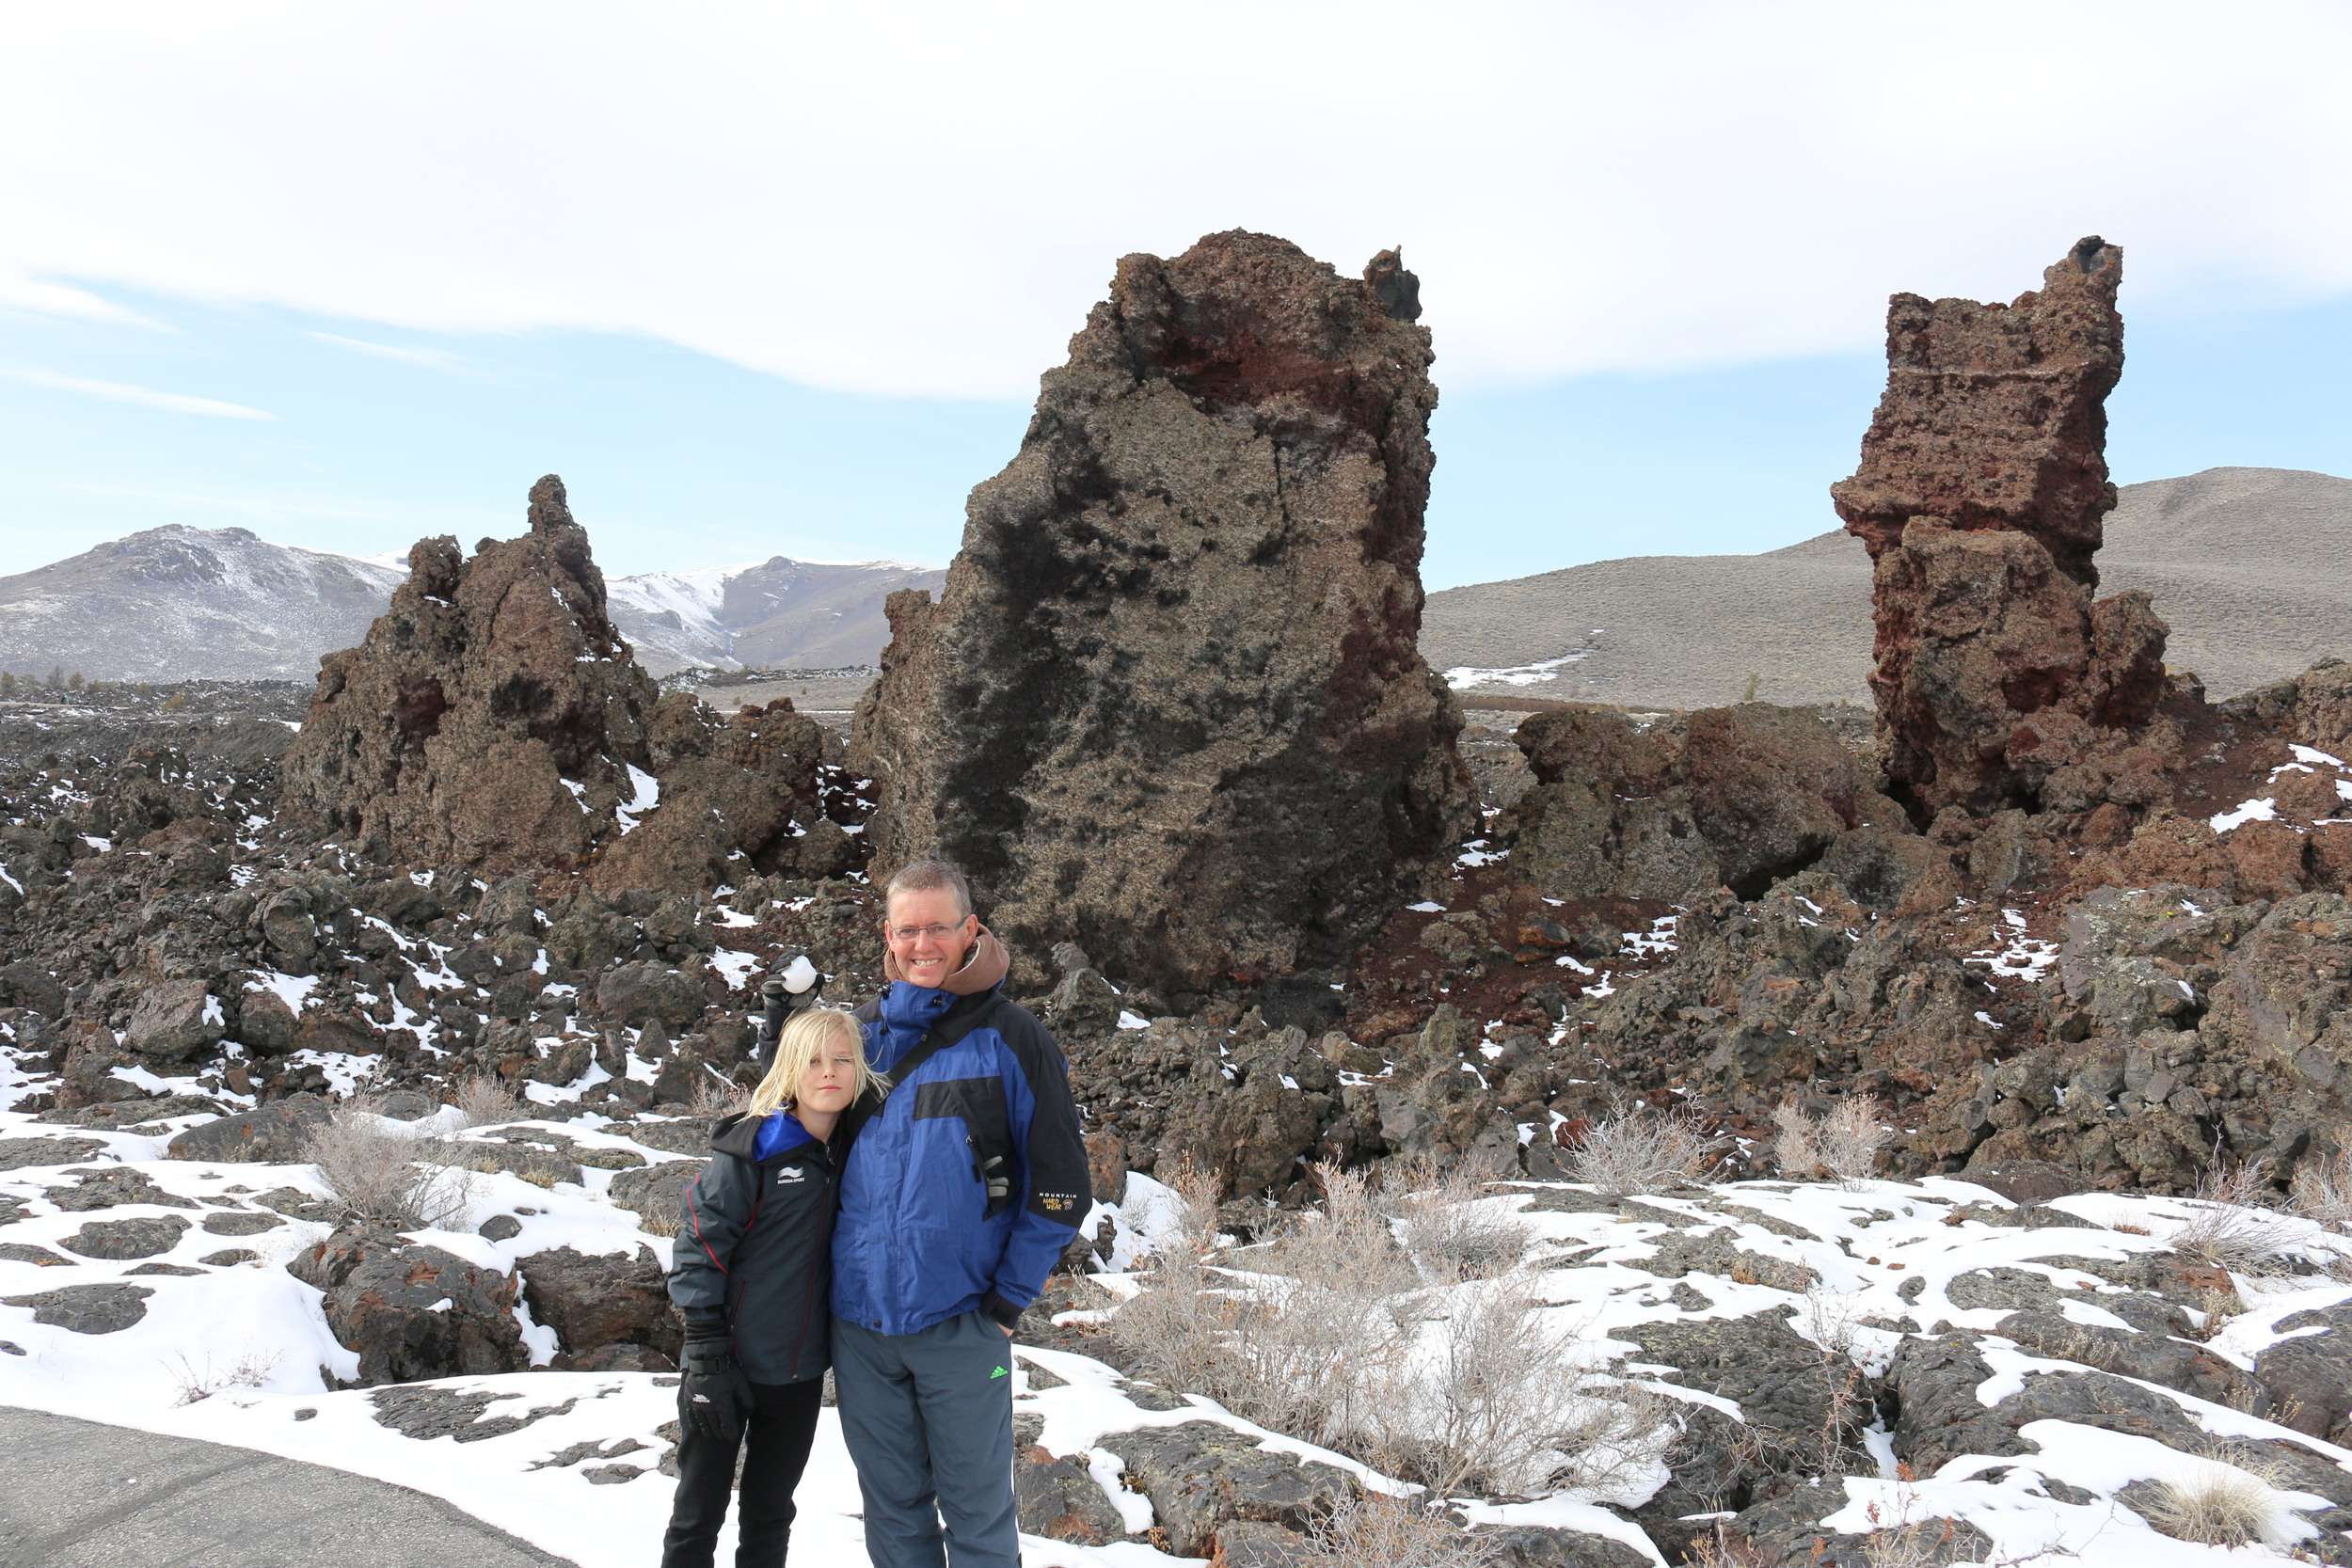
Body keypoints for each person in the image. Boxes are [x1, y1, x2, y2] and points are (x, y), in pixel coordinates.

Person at [832, 859, 1091, 1568]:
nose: (924, 944)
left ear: (969, 928)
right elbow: (790, 1142)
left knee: (978, 1517)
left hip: (962, 1321)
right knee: (892, 1512)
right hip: (858, 1326)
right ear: (888, 933)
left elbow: (1063, 1186)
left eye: (939, 928)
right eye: (909, 929)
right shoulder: (856, 1037)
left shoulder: (1014, 1037)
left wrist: (1006, 1301)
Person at [662, 1006, 877, 1568]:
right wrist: (707, 1351)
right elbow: (698, 1245)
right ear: (789, 1069)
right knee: (698, 1511)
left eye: (842, 1060)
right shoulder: (753, 1150)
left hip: (800, 1373)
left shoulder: (856, 1149)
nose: (827, 1072)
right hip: (726, 1362)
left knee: (770, 1512)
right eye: (811, 1061)